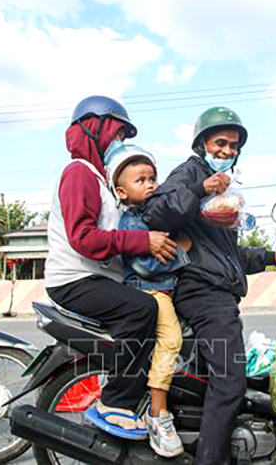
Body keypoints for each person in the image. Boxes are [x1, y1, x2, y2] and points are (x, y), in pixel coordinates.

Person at [141, 106, 276, 464]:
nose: (227, 151)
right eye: (220, 142)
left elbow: (228, 254)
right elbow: (154, 211)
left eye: (233, 146)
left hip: (218, 290)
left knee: (213, 383)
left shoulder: (223, 189)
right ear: (202, 143)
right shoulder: (191, 173)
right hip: (201, 292)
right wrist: (200, 187)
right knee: (231, 382)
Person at [44, 95, 177, 440]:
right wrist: (142, 242)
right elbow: (83, 237)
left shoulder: (103, 181)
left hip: (97, 277)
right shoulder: (79, 173)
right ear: (93, 130)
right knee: (142, 310)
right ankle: (116, 402)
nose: (118, 143)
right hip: (74, 279)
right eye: (115, 134)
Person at [105, 143, 187, 457]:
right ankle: (158, 413)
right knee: (171, 341)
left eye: (152, 177)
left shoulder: (149, 214)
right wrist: (182, 250)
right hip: (150, 291)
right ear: (122, 192)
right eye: (141, 180)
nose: (150, 183)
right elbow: (145, 265)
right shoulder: (131, 221)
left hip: (164, 290)